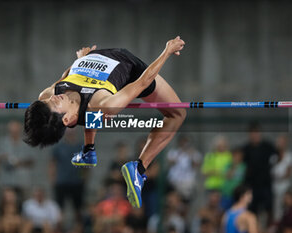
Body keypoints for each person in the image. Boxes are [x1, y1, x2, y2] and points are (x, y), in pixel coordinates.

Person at [23, 36, 186, 208]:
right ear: (65, 119)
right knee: (178, 114)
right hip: (130, 68)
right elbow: (143, 82)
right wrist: (167, 51)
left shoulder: (47, 95)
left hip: (94, 59)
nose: (53, 98)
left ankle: (88, 150)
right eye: (54, 103)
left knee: (88, 109)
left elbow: (65, 77)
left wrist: (79, 62)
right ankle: (138, 169)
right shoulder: (105, 104)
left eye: (49, 100)